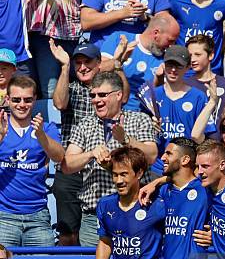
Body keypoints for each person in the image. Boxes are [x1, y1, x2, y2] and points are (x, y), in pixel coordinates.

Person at [62, 71, 159, 246]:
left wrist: (126, 140)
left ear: (119, 95)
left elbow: (151, 156)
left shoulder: (139, 120)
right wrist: (90, 154)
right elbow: (67, 165)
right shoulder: (84, 124)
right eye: (93, 95)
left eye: (102, 95)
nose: (96, 100)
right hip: (95, 217)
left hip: (135, 211)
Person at [0, 76, 64, 247]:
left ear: (35, 99)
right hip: (4, 217)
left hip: (38, 216)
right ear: (7, 99)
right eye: (16, 99)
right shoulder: (0, 127)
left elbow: (59, 157)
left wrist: (41, 135)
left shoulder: (47, 127)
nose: (22, 104)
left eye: (28, 100)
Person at [51, 42, 102, 245]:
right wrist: (64, 68)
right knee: (67, 232)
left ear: (99, 63)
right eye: (77, 63)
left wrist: (116, 64)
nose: (82, 67)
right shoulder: (71, 88)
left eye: (87, 62)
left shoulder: (108, 88)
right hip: (71, 168)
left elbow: (123, 95)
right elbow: (59, 103)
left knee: (99, 232)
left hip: (100, 169)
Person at [150, 44, 216, 176]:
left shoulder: (198, 97)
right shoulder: (152, 95)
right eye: (169, 65)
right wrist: (150, 127)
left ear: (187, 68)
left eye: (179, 66)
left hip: (186, 169)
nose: (173, 70)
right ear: (163, 65)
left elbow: (205, 137)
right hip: (157, 168)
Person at [100, 13, 180, 111]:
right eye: (170, 40)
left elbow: (160, 97)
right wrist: (119, 59)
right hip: (110, 110)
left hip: (144, 118)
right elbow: (98, 71)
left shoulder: (167, 59)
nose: (171, 46)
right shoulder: (120, 40)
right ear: (156, 33)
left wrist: (159, 78)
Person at [185, 34, 225, 133]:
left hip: (219, 143)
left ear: (211, 55)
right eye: (190, 55)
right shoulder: (185, 84)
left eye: (198, 55)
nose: (193, 60)